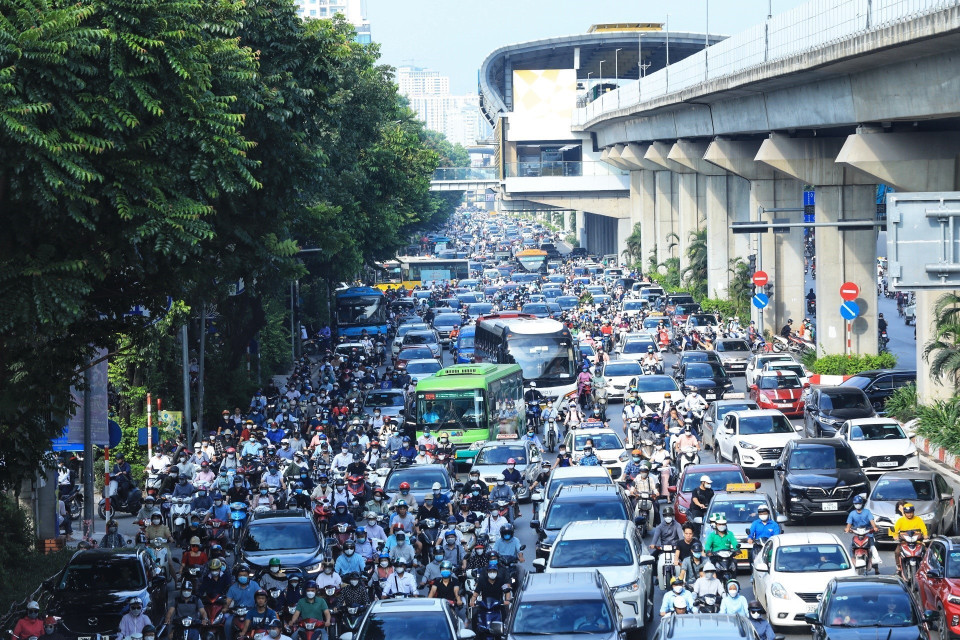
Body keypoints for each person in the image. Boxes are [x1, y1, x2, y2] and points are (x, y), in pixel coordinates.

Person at [844, 495, 879, 574]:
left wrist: (874, 527)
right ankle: (852, 562)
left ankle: (876, 568)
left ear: (862, 503)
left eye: (859, 503)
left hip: (867, 534)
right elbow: (849, 524)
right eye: (856, 503)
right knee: (851, 547)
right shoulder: (852, 514)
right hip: (857, 534)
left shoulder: (867, 512)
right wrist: (847, 529)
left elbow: (872, 521)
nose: (857, 504)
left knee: (872, 549)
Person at [893, 502, 928, 576]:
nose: (909, 514)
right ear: (904, 513)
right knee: (897, 552)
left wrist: (925, 535)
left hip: (917, 541)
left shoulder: (918, 519)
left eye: (911, 513)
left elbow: (924, 529)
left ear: (913, 512)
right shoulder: (900, 520)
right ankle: (899, 567)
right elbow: (895, 530)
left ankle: (926, 567)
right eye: (907, 513)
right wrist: (895, 536)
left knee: (927, 551)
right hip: (904, 542)